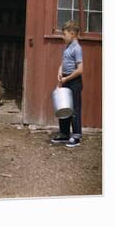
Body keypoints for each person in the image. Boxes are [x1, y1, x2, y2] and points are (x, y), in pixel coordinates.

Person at [50, 20, 83, 148]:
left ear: (72, 33)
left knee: (74, 109)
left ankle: (76, 136)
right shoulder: (68, 47)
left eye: (64, 34)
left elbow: (80, 70)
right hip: (65, 79)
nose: (63, 37)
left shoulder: (77, 48)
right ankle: (64, 134)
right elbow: (64, 62)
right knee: (63, 107)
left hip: (74, 82)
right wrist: (60, 70)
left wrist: (67, 78)